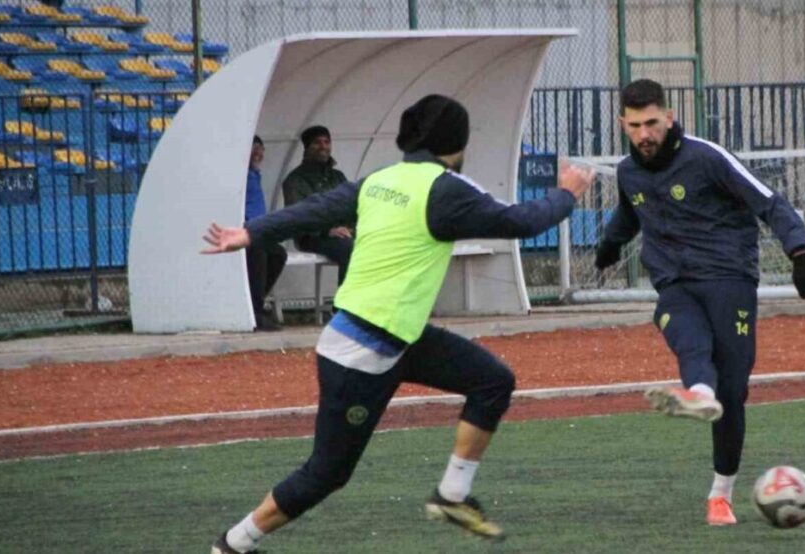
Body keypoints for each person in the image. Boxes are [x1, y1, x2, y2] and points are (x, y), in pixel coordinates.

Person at [203, 95, 595, 553]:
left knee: (493, 381)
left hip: (399, 338)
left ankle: (451, 496)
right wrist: (565, 193)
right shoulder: (446, 189)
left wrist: (251, 232)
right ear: (457, 141)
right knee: (327, 474)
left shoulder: (380, 181)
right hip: (360, 353)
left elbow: (314, 211)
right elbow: (522, 221)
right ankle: (233, 544)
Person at [594, 79, 805, 527]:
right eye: (635, 125)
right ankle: (697, 392)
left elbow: (769, 202)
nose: (645, 134)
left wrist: (801, 253)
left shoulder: (706, 157)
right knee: (683, 331)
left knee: (733, 393)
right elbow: (629, 211)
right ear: (623, 124)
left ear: (670, 117)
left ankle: (721, 493)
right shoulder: (628, 171)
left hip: (728, 279)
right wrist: (609, 244)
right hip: (674, 283)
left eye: (653, 123)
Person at [282, 125, 353, 285]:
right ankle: (344, 307)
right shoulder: (295, 180)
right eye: (317, 142)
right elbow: (298, 218)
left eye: (327, 142)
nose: (323, 147)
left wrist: (351, 227)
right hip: (312, 237)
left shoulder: (337, 176)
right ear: (307, 147)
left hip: (342, 233)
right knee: (350, 249)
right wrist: (328, 231)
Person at [245, 135, 287, 332]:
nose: (258, 153)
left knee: (278, 254)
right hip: (242, 233)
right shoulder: (239, 175)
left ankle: (256, 301)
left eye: (260, 148)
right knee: (258, 252)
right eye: (253, 148)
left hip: (256, 232)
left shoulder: (254, 174)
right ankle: (254, 311)